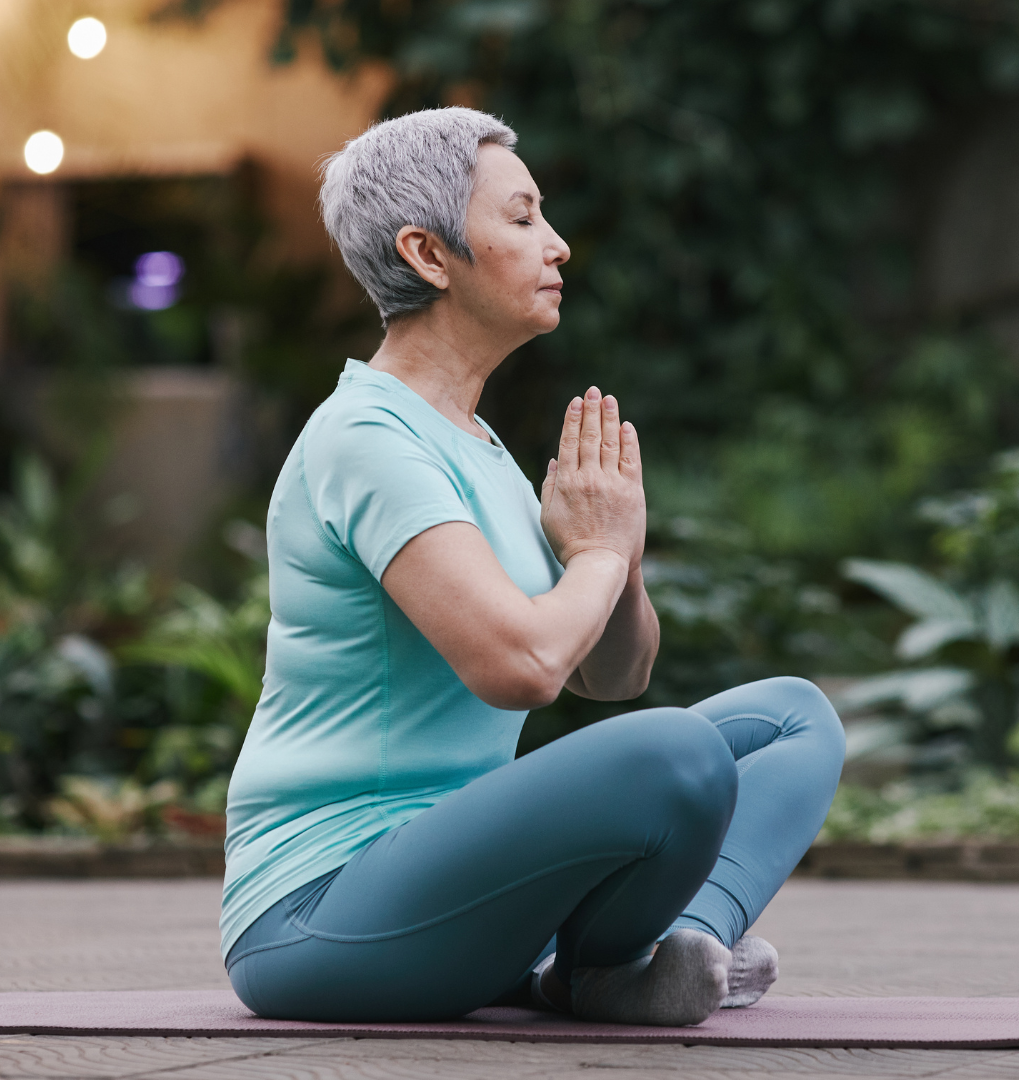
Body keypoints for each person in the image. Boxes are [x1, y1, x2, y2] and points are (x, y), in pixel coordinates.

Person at [220, 106, 845, 1028]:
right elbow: (520, 669)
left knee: (793, 717)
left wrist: (618, 553)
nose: (556, 246)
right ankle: (596, 968)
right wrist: (591, 551)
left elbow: (612, 673)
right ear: (429, 255)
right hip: (321, 911)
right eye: (521, 219)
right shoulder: (365, 438)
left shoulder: (475, 444)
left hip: (458, 892)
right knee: (676, 753)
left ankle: (659, 956)